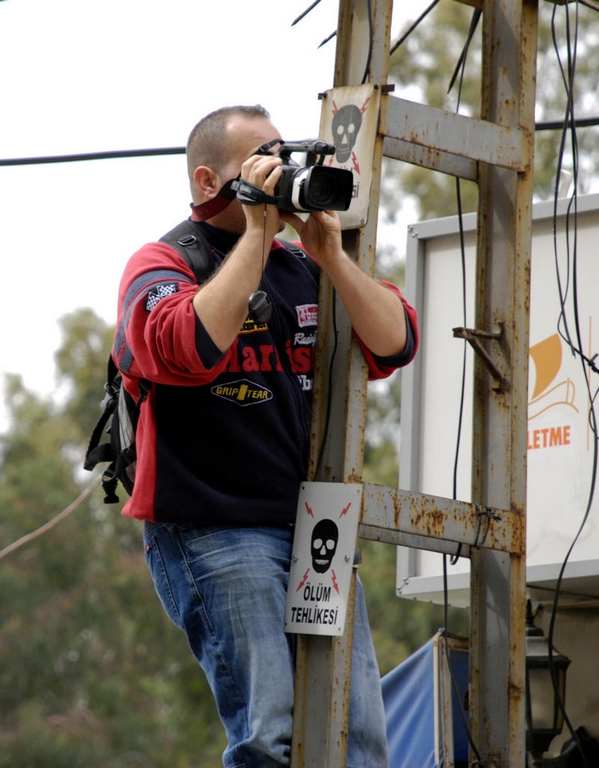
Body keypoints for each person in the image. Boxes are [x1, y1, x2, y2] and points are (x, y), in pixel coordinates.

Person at [113, 104, 419, 768]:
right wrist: (254, 233)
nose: (280, 178)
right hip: (213, 527)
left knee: (356, 736)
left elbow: (394, 343)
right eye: (263, 164)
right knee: (271, 735)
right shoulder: (164, 261)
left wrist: (331, 257)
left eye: (285, 160)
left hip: (314, 527)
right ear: (205, 181)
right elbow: (184, 345)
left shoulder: (299, 265)